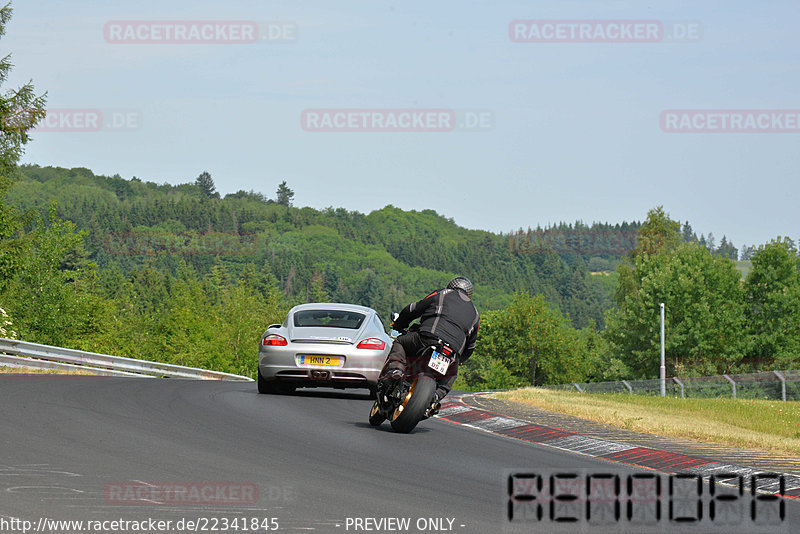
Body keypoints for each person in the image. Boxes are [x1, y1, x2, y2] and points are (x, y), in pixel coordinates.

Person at [380, 276, 480, 415]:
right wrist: (459, 360)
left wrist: (399, 324)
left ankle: (395, 370)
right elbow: (470, 346)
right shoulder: (475, 314)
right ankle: (435, 397)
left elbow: (413, 309)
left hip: (428, 339)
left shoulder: (442, 294)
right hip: (452, 352)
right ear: (469, 293)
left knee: (401, 342)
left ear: (451, 286)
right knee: (451, 374)